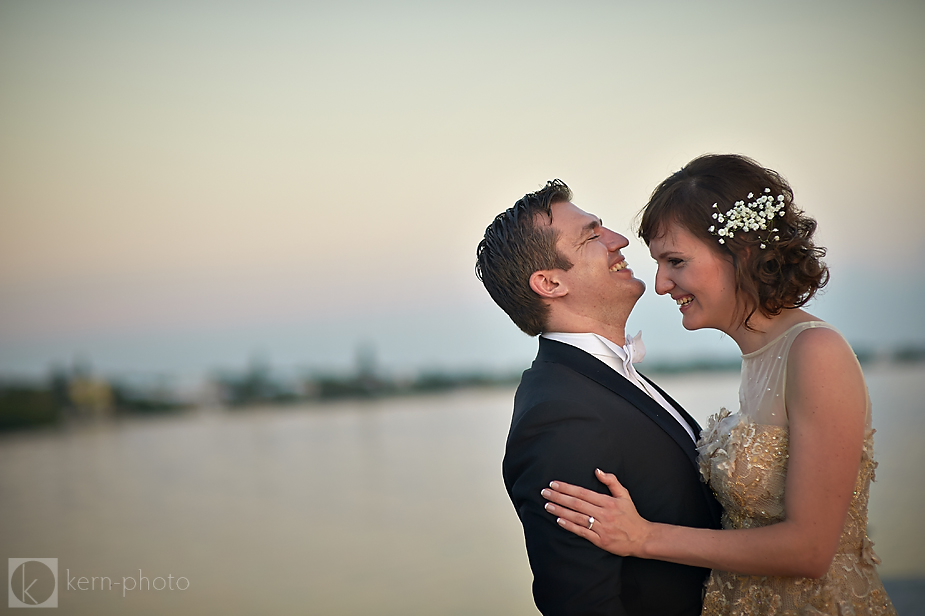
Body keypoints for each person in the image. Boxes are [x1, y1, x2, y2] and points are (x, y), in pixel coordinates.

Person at [542, 154, 896, 615]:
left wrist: (644, 537)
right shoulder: (759, 358)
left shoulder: (815, 353)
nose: (662, 284)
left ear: (743, 253)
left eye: (676, 261)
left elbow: (809, 550)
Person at [476, 180, 722, 616]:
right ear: (550, 282)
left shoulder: (601, 380)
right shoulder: (556, 415)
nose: (620, 241)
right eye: (593, 235)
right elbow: (580, 600)